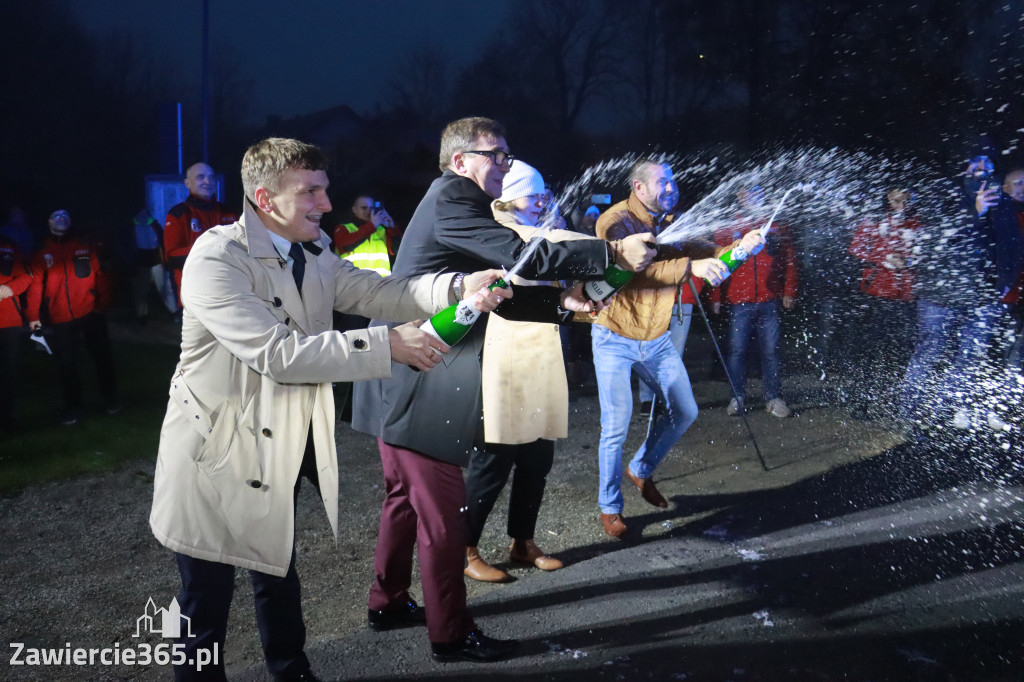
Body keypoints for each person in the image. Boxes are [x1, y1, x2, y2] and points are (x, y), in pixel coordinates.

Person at [149, 137, 508, 682]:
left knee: (278, 574)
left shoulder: (312, 253)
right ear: (265, 199)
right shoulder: (217, 256)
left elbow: (377, 293)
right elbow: (276, 353)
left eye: (325, 189)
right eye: (310, 192)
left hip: (280, 446)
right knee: (205, 598)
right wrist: (387, 346)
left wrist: (458, 284)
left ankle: (293, 672)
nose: (324, 203)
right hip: (214, 453)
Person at [351, 116, 655, 663]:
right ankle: (450, 634)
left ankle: (387, 602)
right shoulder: (453, 198)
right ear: (461, 160)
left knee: (403, 502)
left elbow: (499, 288)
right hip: (422, 382)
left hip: (399, 377)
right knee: (443, 514)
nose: (506, 166)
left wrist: (562, 303)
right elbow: (518, 257)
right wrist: (610, 256)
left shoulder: (454, 203)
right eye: (497, 155)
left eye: (508, 155)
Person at [590, 159, 764, 539]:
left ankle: (640, 469)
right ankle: (610, 507)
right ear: (638, 188)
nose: (671, 187)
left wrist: (742, 248)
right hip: (614, 336)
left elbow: (709, 252)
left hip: (655, 338)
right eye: (662, 182)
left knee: (685, 410)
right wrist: (690, 268)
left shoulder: (672, 221)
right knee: (615, 427)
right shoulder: (614, 223)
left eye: (672, 181)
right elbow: (632, 274)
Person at [464, 160, 596, 583]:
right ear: (506, 197)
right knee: (493, 461)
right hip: (502, 360)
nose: (542, 198)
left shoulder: (546, 231)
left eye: (543, 191)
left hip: (542, 356)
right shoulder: (496, 235)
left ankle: (523, 542)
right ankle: (463, 549)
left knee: (538, 458)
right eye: (531, 191)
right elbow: (549, 251)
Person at [902, 159, 1018, 432]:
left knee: (969, 357)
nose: (981, 172)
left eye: (987, 166)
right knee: (930, 353)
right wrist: (975, 212)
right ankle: (910, 412)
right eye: (975, 166)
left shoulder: (1001, 201)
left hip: (984, 297)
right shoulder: (941, 193)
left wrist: (1005, 283)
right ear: (962, 167)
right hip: (940, 297)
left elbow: (1012, 243)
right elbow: (936, 238)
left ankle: (943, 409)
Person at [710, 185, 799, 418]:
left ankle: (773, 398)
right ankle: (737, 396)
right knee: (737, 351)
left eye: (757, 192)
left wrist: (789, 290)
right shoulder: (730, 225)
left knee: (771, 351)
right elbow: (718, 260)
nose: (752, 197)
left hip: (770, 300)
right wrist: (716, 296)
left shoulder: (776, 225)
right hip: (739, 302)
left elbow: (789, 260)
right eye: (747, 193)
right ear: (740, 196)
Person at [26, 209, 118, 426]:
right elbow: (35, 286)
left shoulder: (84, 245)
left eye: (65, 216)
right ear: (48, 222)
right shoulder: (42, 251)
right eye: (56, 216)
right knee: (67, 364)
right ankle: (73, 407)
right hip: (60, 317)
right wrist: (33, 315)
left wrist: (102, 305)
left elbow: (101, 276)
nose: (61, 219)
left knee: (101, 356)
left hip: (90, 312)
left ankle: (110, 398)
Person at [846, 188, 921, 412]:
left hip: (905, 295)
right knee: (869, 349)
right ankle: (862, 400)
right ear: (888, 199)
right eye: (897, 200)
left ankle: (892, 400)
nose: (902, 205)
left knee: (899, 350)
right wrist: (883, 258)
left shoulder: (917, 222)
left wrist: (908, 262)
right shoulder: (875, 219)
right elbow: (856, 248)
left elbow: (924, 251)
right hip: (876, 294)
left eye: (906, 200)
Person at [163, 162, 238, 309]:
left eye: (211, 177)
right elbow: (172, 256)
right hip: (196, 299)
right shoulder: (179, 214)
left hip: (228, 295)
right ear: (187, 183)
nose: (207, 181)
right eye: (201, 177)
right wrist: (210, 249)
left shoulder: (228, 212)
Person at [0, 234, 32, 431]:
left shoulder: (10, 247)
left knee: (8, 371)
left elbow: (26, 277)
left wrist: (9, 289)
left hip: (8, 321)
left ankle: (7, 416)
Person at [332, 194, 403, 277]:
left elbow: (399, 251)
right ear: (354, 210)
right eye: (364, 208)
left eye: (371, 208)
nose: (368, 211)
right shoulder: (344, 228)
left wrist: (392, 228)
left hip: (381, 285)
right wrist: (373, 224)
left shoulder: (381, 230)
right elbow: (346, 246)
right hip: (354, 286)